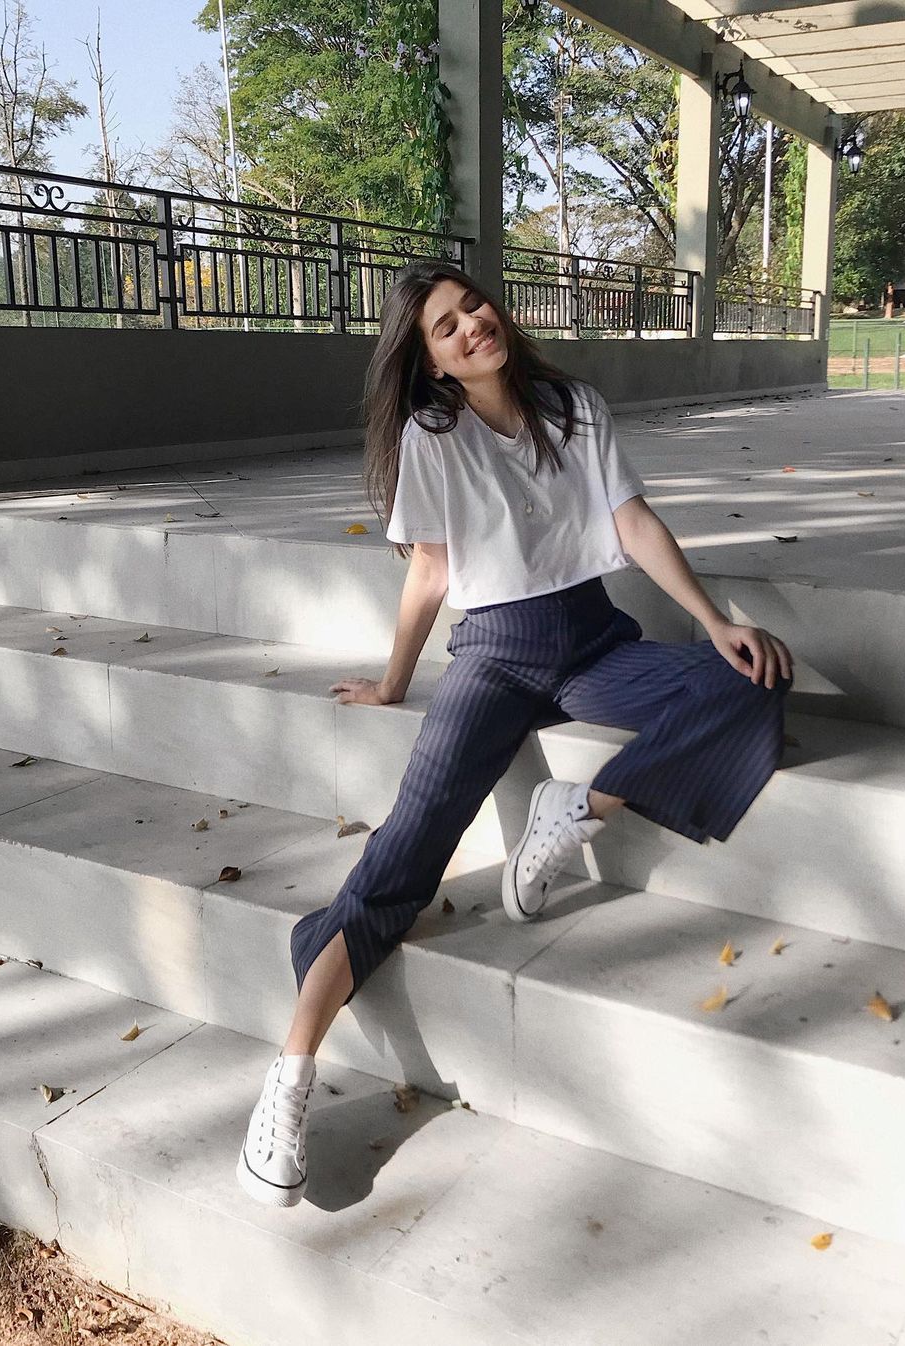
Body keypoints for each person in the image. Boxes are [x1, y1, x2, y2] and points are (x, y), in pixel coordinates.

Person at [236, 260, 794, 1207]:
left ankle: (578, 804)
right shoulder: (433, 432)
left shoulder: (572, 403)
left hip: (592, 639)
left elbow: (632, 519)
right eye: (445, 329)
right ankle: (287, 1084)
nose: (469, 328)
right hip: (495, 655)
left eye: (473, 307)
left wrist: (712, 622)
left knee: (752, 678)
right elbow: (430, 575)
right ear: (433, 362)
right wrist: (395, 679)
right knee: (403, 859)